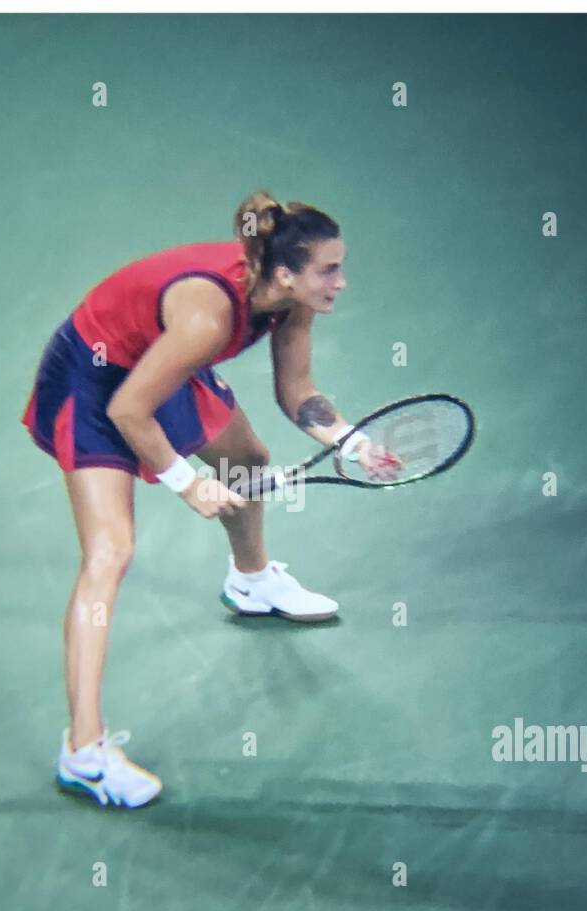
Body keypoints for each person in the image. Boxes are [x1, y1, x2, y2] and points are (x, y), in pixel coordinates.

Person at [21, 191, 396, 807]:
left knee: (246, 459)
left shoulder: (287, 300)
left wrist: (353, 443)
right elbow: (126, 410)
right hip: (95, 379)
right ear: (284, 274)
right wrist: (185, 482)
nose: (341, 281)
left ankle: (251, 582)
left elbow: (296, 390)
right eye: (329, 270)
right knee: (109, 554)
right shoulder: (207, 317)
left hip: (154, 360)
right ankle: (83, 753)